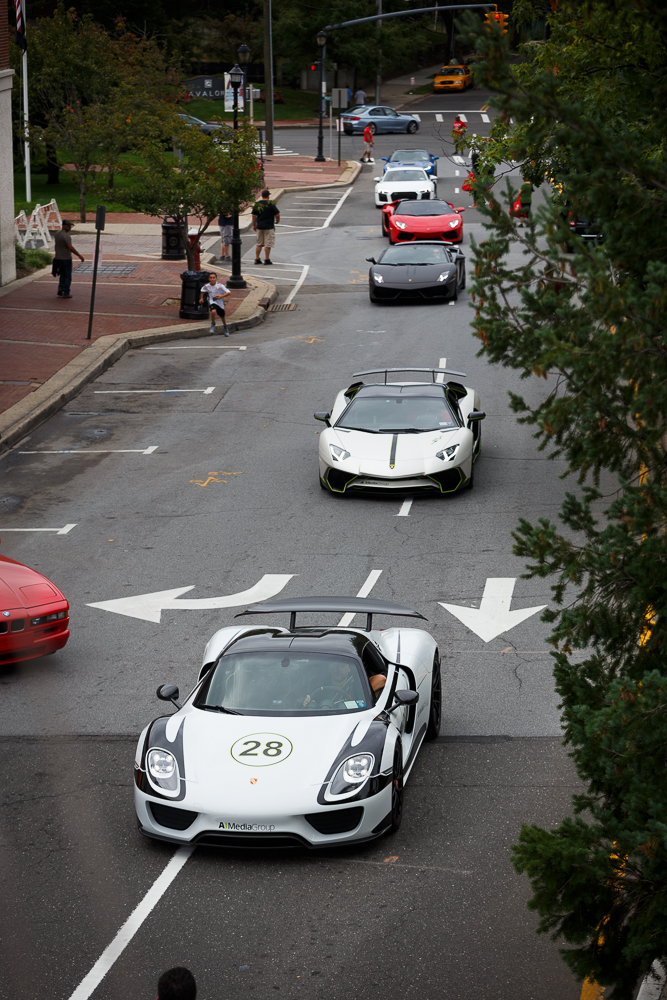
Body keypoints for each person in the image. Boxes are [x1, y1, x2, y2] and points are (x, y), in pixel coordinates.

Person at [53, 220, 84, 299]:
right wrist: (79, 255)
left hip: (58, 258)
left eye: (70, 226)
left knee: (62, 274)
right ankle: (66, 292)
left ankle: (60, 288)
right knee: (67, 276)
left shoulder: (57, 234)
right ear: (63, 225)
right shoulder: (66, 236)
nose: (70, 227)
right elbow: (70, 247)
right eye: (68, 226)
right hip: (66, 258)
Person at [251, 189, 280, 265]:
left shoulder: (257, 204)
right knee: (268, 243)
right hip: (269, 226)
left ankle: (257, 258)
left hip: (260, 226)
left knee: (259, 243)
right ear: (268, 196)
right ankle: (267, 259)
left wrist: (254, 224)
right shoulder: (270, 204)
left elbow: (254, 215)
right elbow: (277, 214)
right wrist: (277, 221)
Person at [199, 271, 231, 336]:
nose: (212, 279)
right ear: (208, 279)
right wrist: (201, 298)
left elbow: (228, 292)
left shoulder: (220, 286)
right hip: (212, 301)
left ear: (216, 278)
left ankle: (225, 327)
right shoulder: (207, 286)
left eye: (214, 278)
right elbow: (202, 290)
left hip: (219, 302)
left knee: (222, 316)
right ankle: (213, 324)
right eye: (211, 278)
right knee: (213, 311)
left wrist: (221, 296)